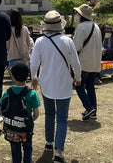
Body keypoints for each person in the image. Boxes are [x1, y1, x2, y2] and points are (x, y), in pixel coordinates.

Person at [30, 10, 81, 163]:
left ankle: (48, 143)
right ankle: (59, 151)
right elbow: (76, 64)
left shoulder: (40, 41)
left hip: (46, 83)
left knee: (50, 114)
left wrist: (34, 77)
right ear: (60, 25)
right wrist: (78, 78)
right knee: (62, 118)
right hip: (64, 83)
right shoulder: (67, 41)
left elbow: (33, 64)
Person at [0, 61, 41, 163]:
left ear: (12, 76)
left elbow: (1, 108)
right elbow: (36, 114)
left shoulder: (8, 92)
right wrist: (30, 119)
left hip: (11, 128)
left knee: (15, 150)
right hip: (26, 129)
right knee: (27, 149)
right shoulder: (32, 93)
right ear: (28, 75)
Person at [72, 4, 102, 121]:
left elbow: (77, 46)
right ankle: (93, 111)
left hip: (84, 62)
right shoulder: (96, 26)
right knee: (90, 86)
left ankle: (89, 108)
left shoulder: (81, 27)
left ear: (81, 15)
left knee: (78, 85)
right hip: (95, 62)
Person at [6, 9, 32, 83]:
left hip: (12, 57)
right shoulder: (25, 29)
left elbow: (7, 46)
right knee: (23, 82)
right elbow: (29, 43)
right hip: (24, 58)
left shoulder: (9, 30)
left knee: (15, 82)